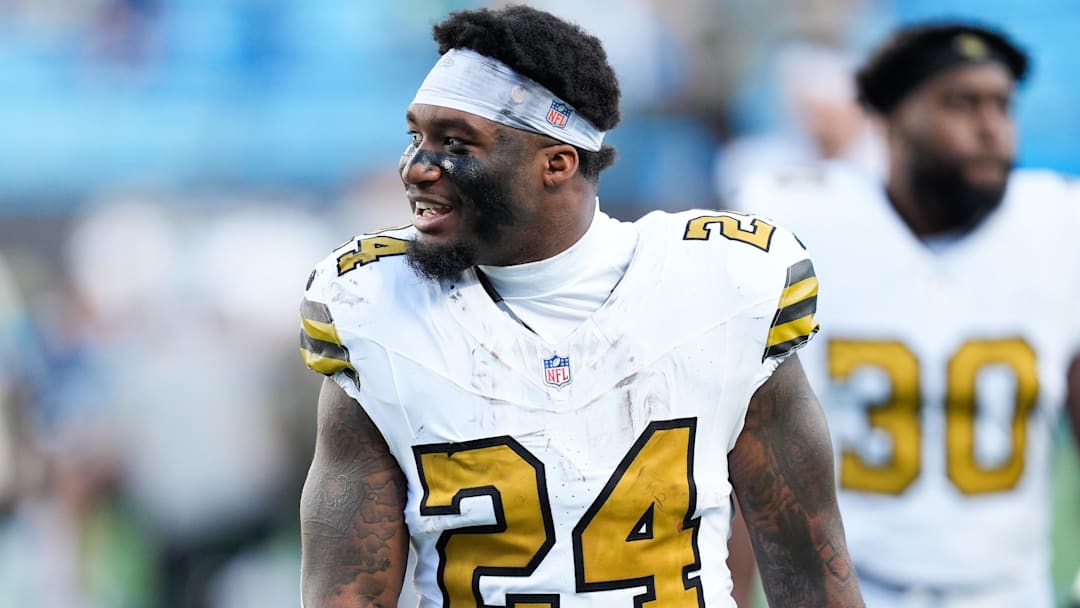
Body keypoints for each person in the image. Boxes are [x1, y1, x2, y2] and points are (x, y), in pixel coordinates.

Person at [297, 6, 863, 608]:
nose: (416, 168)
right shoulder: (374, 305)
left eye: (455, 143)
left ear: (557, 163)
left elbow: (809, 566)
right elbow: (348, 590)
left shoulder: (724, 285)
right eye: (417, 137)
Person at [735, 22, 1080, 607]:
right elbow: (742, 435)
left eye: (1001, 105)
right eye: (960, 103)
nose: (989, 127)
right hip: (855, 588)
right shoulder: (802, 218)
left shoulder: (1056, 222)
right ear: (891, 120)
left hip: (1008, 592)